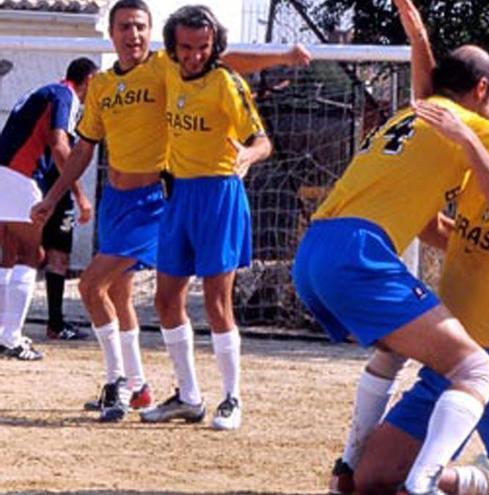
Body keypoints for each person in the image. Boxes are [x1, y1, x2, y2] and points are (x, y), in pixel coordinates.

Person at [294, 8, 489, 491]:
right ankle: (448, 480)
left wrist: (464, 132)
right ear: (483, 91)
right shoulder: (472, 168)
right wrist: (419, 37)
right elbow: (432, 117)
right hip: (447, 356)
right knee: (372, 480)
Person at [32, 0, 310, 423]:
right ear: (111, 34)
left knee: (93, 287)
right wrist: (53, 197)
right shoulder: (104, 85)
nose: (133, 35)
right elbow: (84, 147)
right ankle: (143, 387)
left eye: (140, 26)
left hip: (159, 201)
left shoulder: (166, 66)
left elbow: (224, 60)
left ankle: (120, 383)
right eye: (125, 27)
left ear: (151, 31)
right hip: (118, 202)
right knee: (128, 296)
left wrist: (284, 56)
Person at [136, 5, 273, 431]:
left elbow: (262, 140)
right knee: (165, 298)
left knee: (217, 300)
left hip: (219, 193)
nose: (194, 56)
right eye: (187, 48)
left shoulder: (225, 84)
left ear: (215, 46)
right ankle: (189, 397)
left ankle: (232, 399)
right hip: (179, 193)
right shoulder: (166, 68)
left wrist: (248, 155)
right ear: (174, 47)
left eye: (203, 48)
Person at [0, 57, 96, 361]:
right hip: (19, 175)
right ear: (89, 80)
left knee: (9, 254)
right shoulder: (64, 95)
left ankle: (4, 332)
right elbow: (59, 144)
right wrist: (80, 195)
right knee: (33, 254)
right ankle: (11, 338)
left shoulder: (44, 91)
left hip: (5, 172)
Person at [35, 145, 93, 341]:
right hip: (47, 188)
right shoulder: (60, 115)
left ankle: (56, 323)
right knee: (26, 255)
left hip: (55, 193)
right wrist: (81, 197)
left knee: (57, 257)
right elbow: (60, 149)